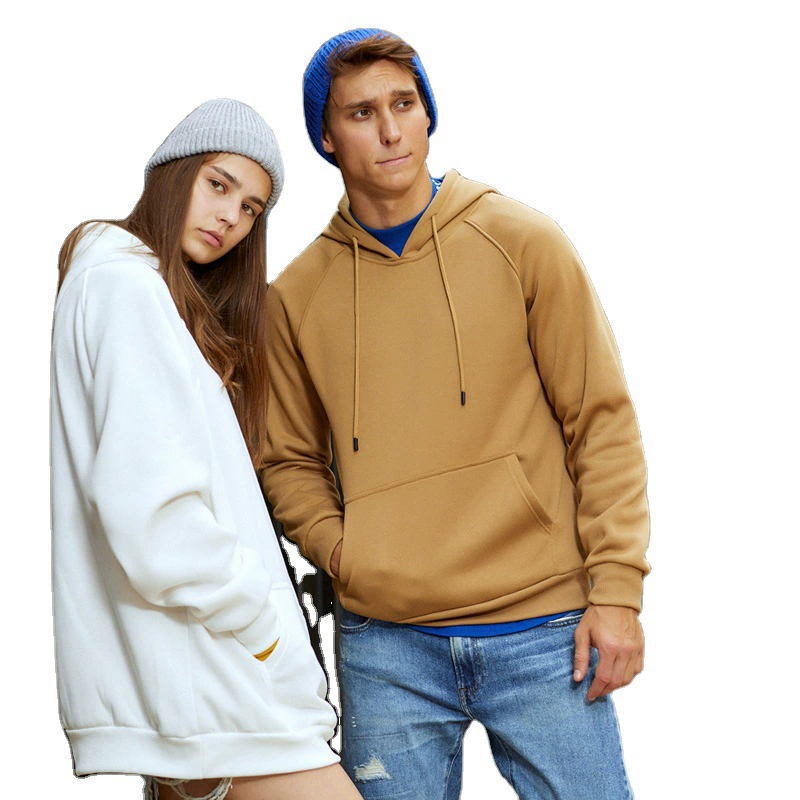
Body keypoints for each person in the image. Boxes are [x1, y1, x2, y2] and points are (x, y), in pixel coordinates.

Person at [261, 29, 651, 799]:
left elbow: (600, 420)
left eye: (404, 104)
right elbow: (287, 460)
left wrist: (617, 591)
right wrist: (347, 554)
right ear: (326, 137)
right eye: (362, 112)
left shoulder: (521, 241)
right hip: (388, 645)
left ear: (428, 113)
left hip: (543, 624)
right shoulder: (296, 297)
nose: (390, 129)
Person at [51, 98, 363, 800]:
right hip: (221, 686)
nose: (230, 217)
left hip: (189, 687)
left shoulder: (120, 285)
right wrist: (266, 632)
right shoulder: (126, 287)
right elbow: (153, 518)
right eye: (218, 184)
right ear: (174, 173)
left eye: (251, 208)